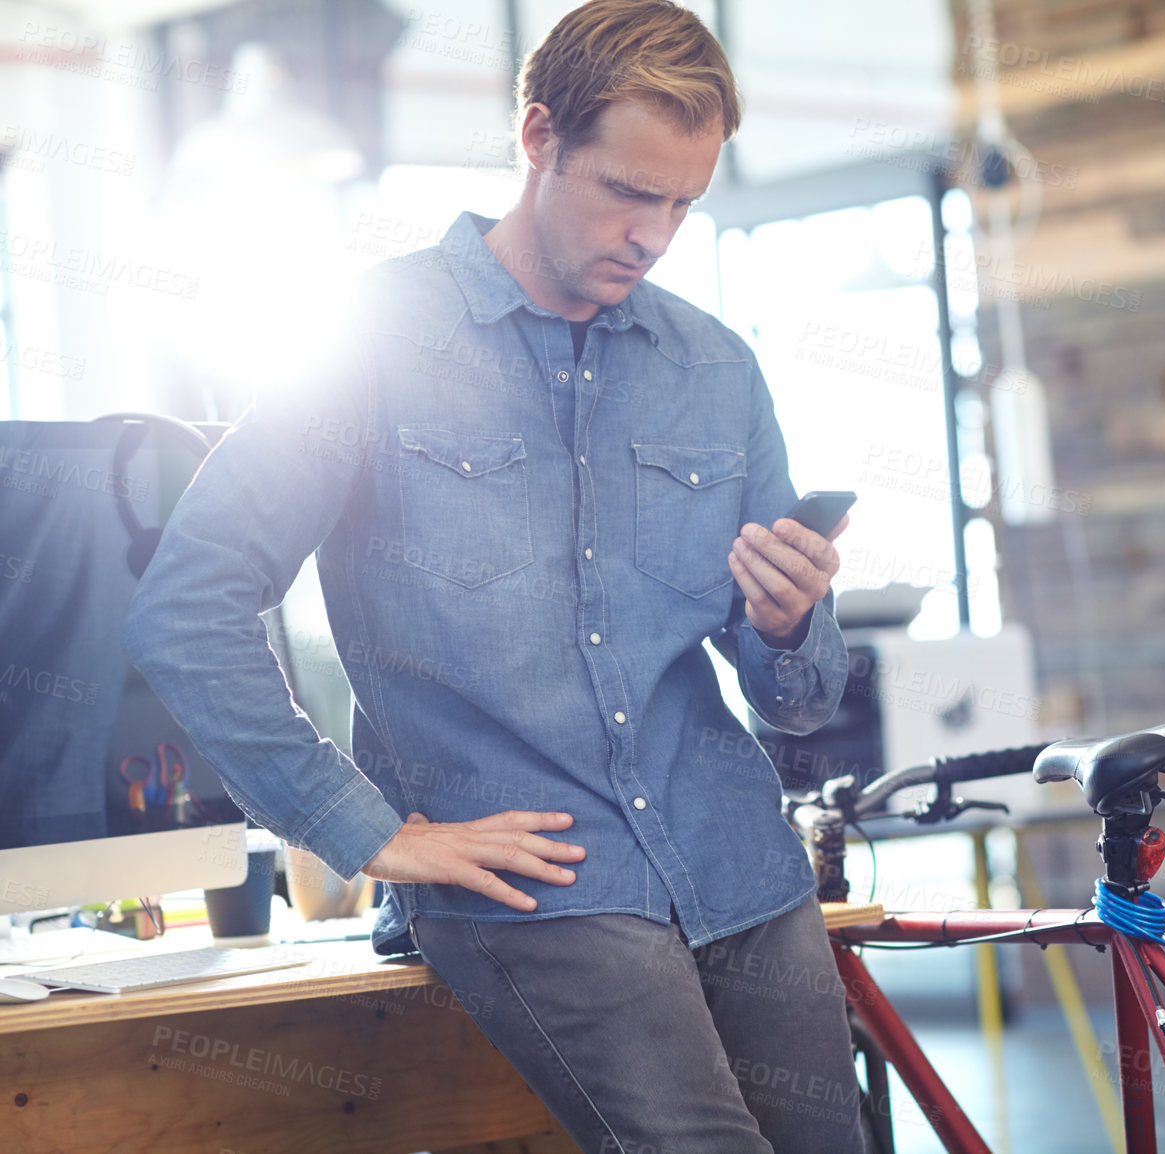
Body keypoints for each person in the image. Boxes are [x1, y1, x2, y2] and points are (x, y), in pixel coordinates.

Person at [123, 2, 866, 1150]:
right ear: (537, 136)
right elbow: (187, 603)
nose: (654, 233)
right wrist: (363, 829)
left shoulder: (716, 368)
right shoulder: (367, 335)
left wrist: (786, 625)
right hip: (537, 876)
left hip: (740, 865)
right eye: (627, 191)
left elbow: (799, 700)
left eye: (682, 203)